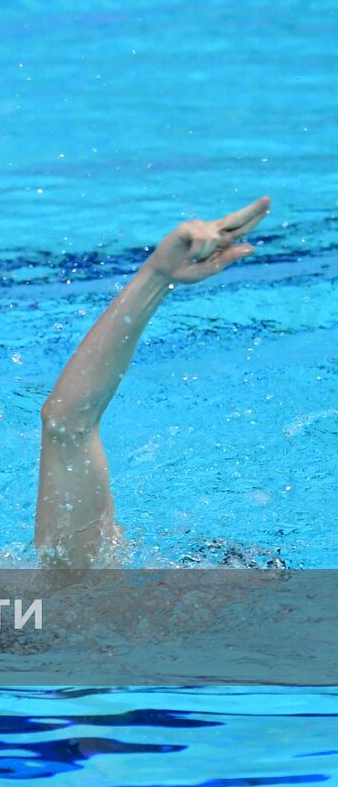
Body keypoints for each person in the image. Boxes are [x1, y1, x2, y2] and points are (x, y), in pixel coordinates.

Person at [36, 196, 271, 567]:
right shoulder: (84, 595)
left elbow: (67, 424)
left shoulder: (78, 600)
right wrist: (157, 277)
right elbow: (67, 424)